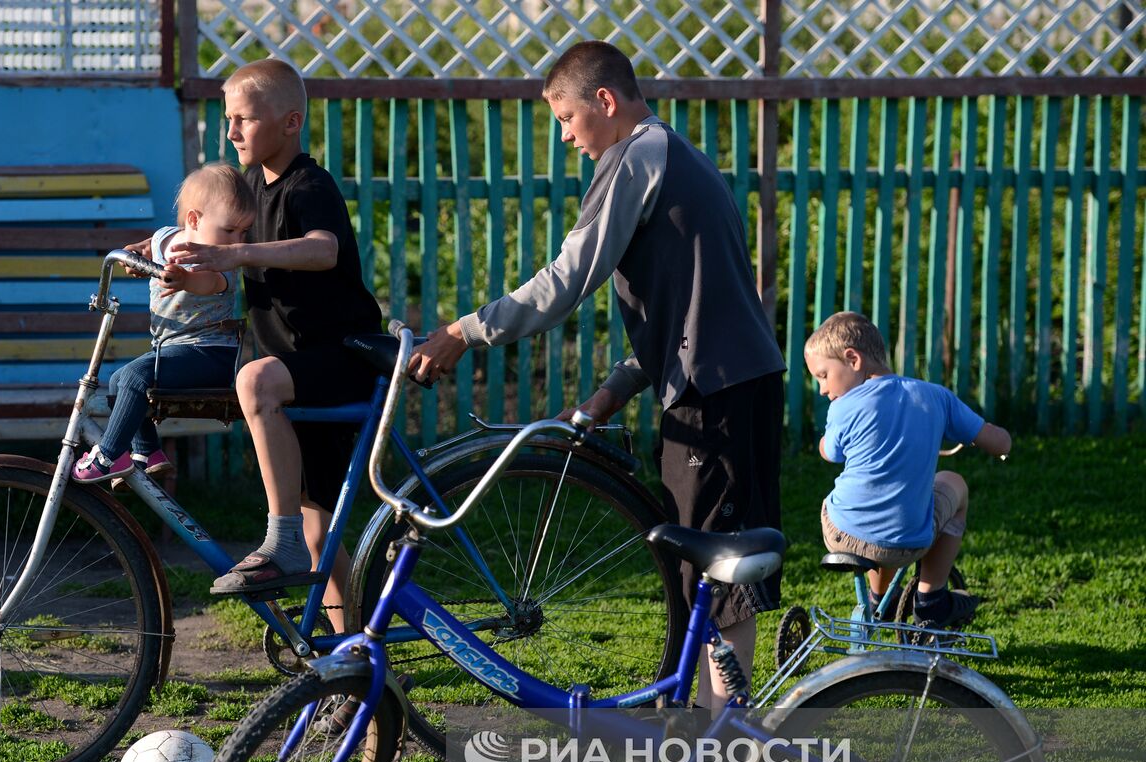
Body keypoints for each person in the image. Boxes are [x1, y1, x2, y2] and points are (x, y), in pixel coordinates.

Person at [407, 40, 786, 711]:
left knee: (716, 577)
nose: (566, 138)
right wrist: (616, 389)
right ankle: (709, 727)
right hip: (733, 381)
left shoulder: (636, 154)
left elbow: (566, 279)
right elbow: (694, 305)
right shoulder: (678, 154)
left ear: (605, 101)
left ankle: (721, 740)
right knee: (709, 567)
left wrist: (466, 331)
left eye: (567, 119)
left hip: (715, 394)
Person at [163, 59, 381, 633]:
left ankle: (275, 541)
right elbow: (209, 236)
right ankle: (349, 656)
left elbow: (322, 249)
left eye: (244, 119)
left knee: (255, 379)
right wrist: (174, 254)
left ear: (290, 122)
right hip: (294, 370)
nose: (231, 132)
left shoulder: (310, 184)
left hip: (339, 358)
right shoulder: (249, 191)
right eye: (228, 119)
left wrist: (237, 255)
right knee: (321, 528)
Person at [805, 311, 1011, 626]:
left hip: (841, 533)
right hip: (909, 542)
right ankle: (930, 598)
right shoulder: (936, 397)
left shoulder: (843, 406)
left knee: (873, 497)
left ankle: (879, 599)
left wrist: (822, 443)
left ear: (853, 359)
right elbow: (999, 443)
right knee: (953, 484)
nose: (822, 389)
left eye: (822, 375)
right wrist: (1000, 443)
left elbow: (830, 452)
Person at [73, 164, 255, 483]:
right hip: (171, 351)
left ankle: (108, 454)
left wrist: (186, 279)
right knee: (119, 380)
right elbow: (149, 246)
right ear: (194, 220)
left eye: (244, 232)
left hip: (212, 356)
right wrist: (134, 254)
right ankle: (147, 451)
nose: (236, 241)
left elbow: (209, 283)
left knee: (133, 375)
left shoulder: (220, 264)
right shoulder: (165, 238)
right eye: (230, 231)